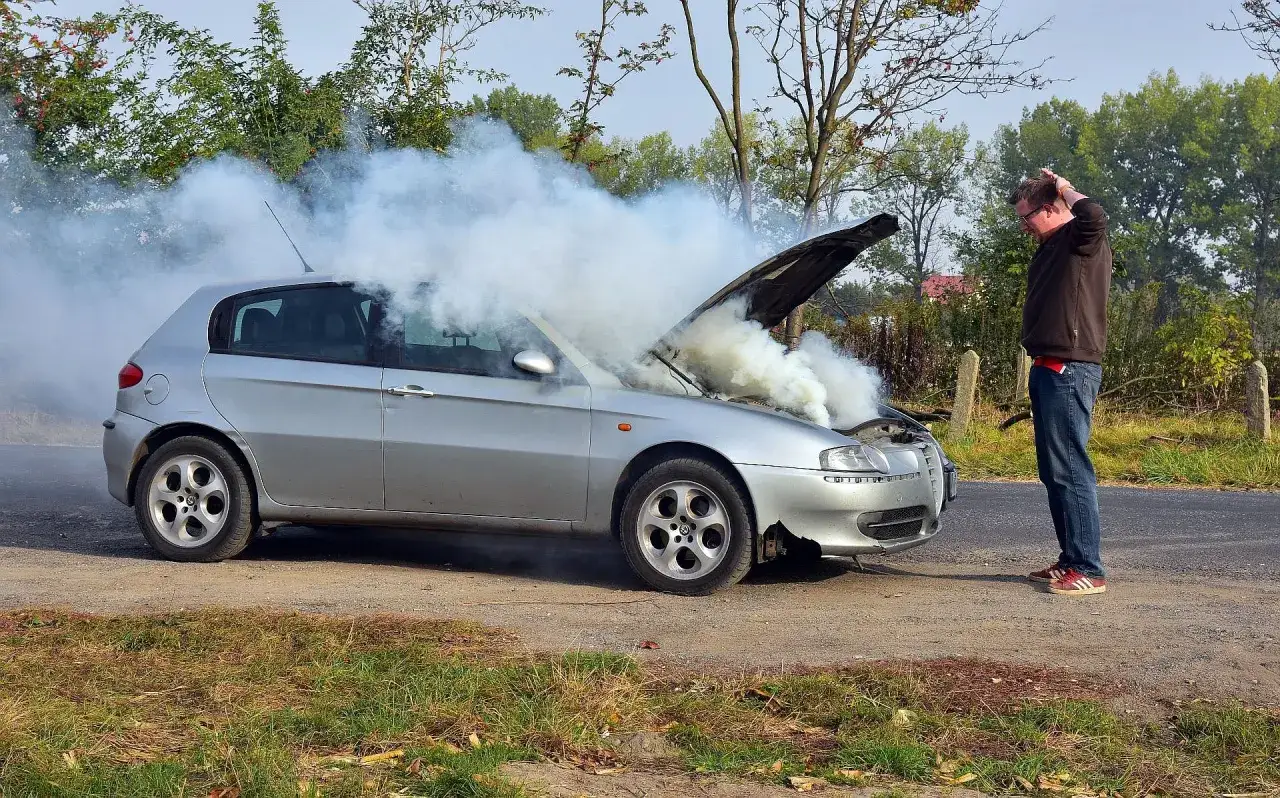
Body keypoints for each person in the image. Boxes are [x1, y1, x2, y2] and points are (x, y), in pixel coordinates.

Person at [1008, 168, 1112, 596]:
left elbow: (1096, 215)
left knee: (1070, 468)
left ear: (1052, 208)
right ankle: (1070, 559)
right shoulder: (1053, 246)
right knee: (1055, 472)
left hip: (1069, 368)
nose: (1023, 225)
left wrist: (1066, 186)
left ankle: (1089, 568)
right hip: (1048, 366)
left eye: (1027, 216)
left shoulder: (1081, 239)